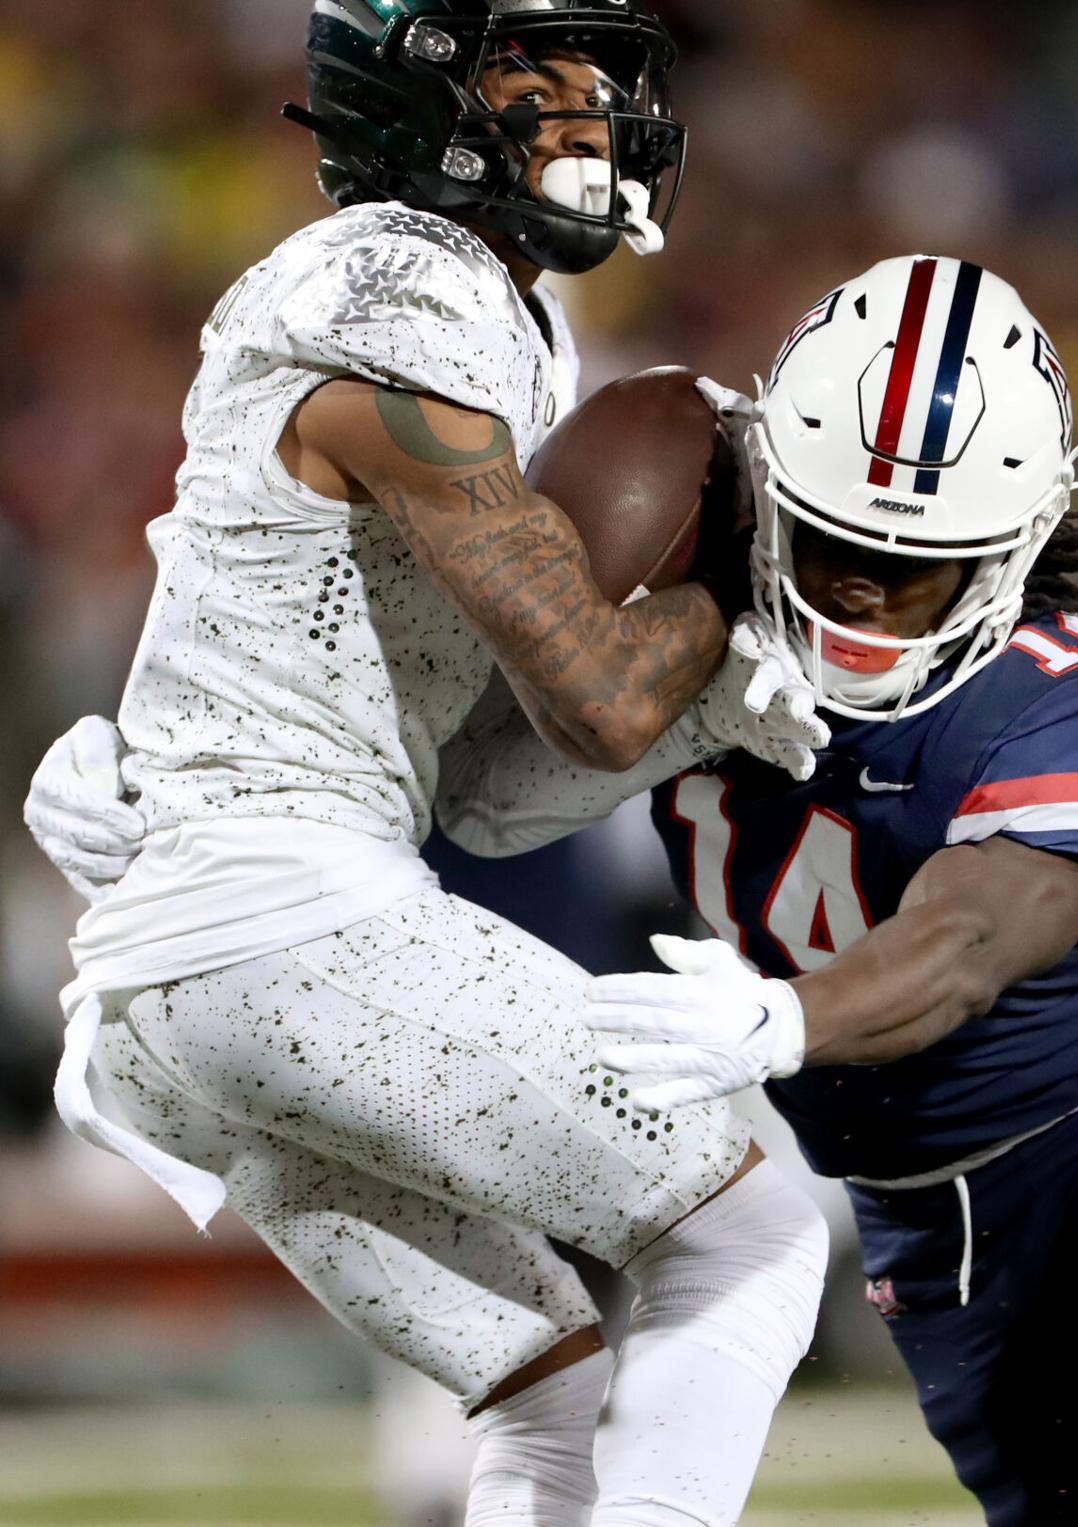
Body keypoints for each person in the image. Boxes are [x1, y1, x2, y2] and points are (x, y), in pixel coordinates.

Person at [23, 5, 836, 1524]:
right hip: (286, 929)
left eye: (602, 83)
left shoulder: (481, 307)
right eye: (540, 81)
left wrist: (720, 672)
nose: (592, 119)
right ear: (408, 98)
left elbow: (479, 774)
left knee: (547, 1384)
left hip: (192, 971)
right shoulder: (397, 285)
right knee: (751, 1238)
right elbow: (592, 697)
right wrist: (744, 584)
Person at [435, 255, 1078, 1524]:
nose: (860, 589)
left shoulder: (1065, 683)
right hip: (915, 1213)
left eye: (916, 567)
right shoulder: (679, 610)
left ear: (1007, 550)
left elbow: (972, 936)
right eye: (837, 540)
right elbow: (444, 707)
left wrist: (784, 1020)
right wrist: (191, 795)